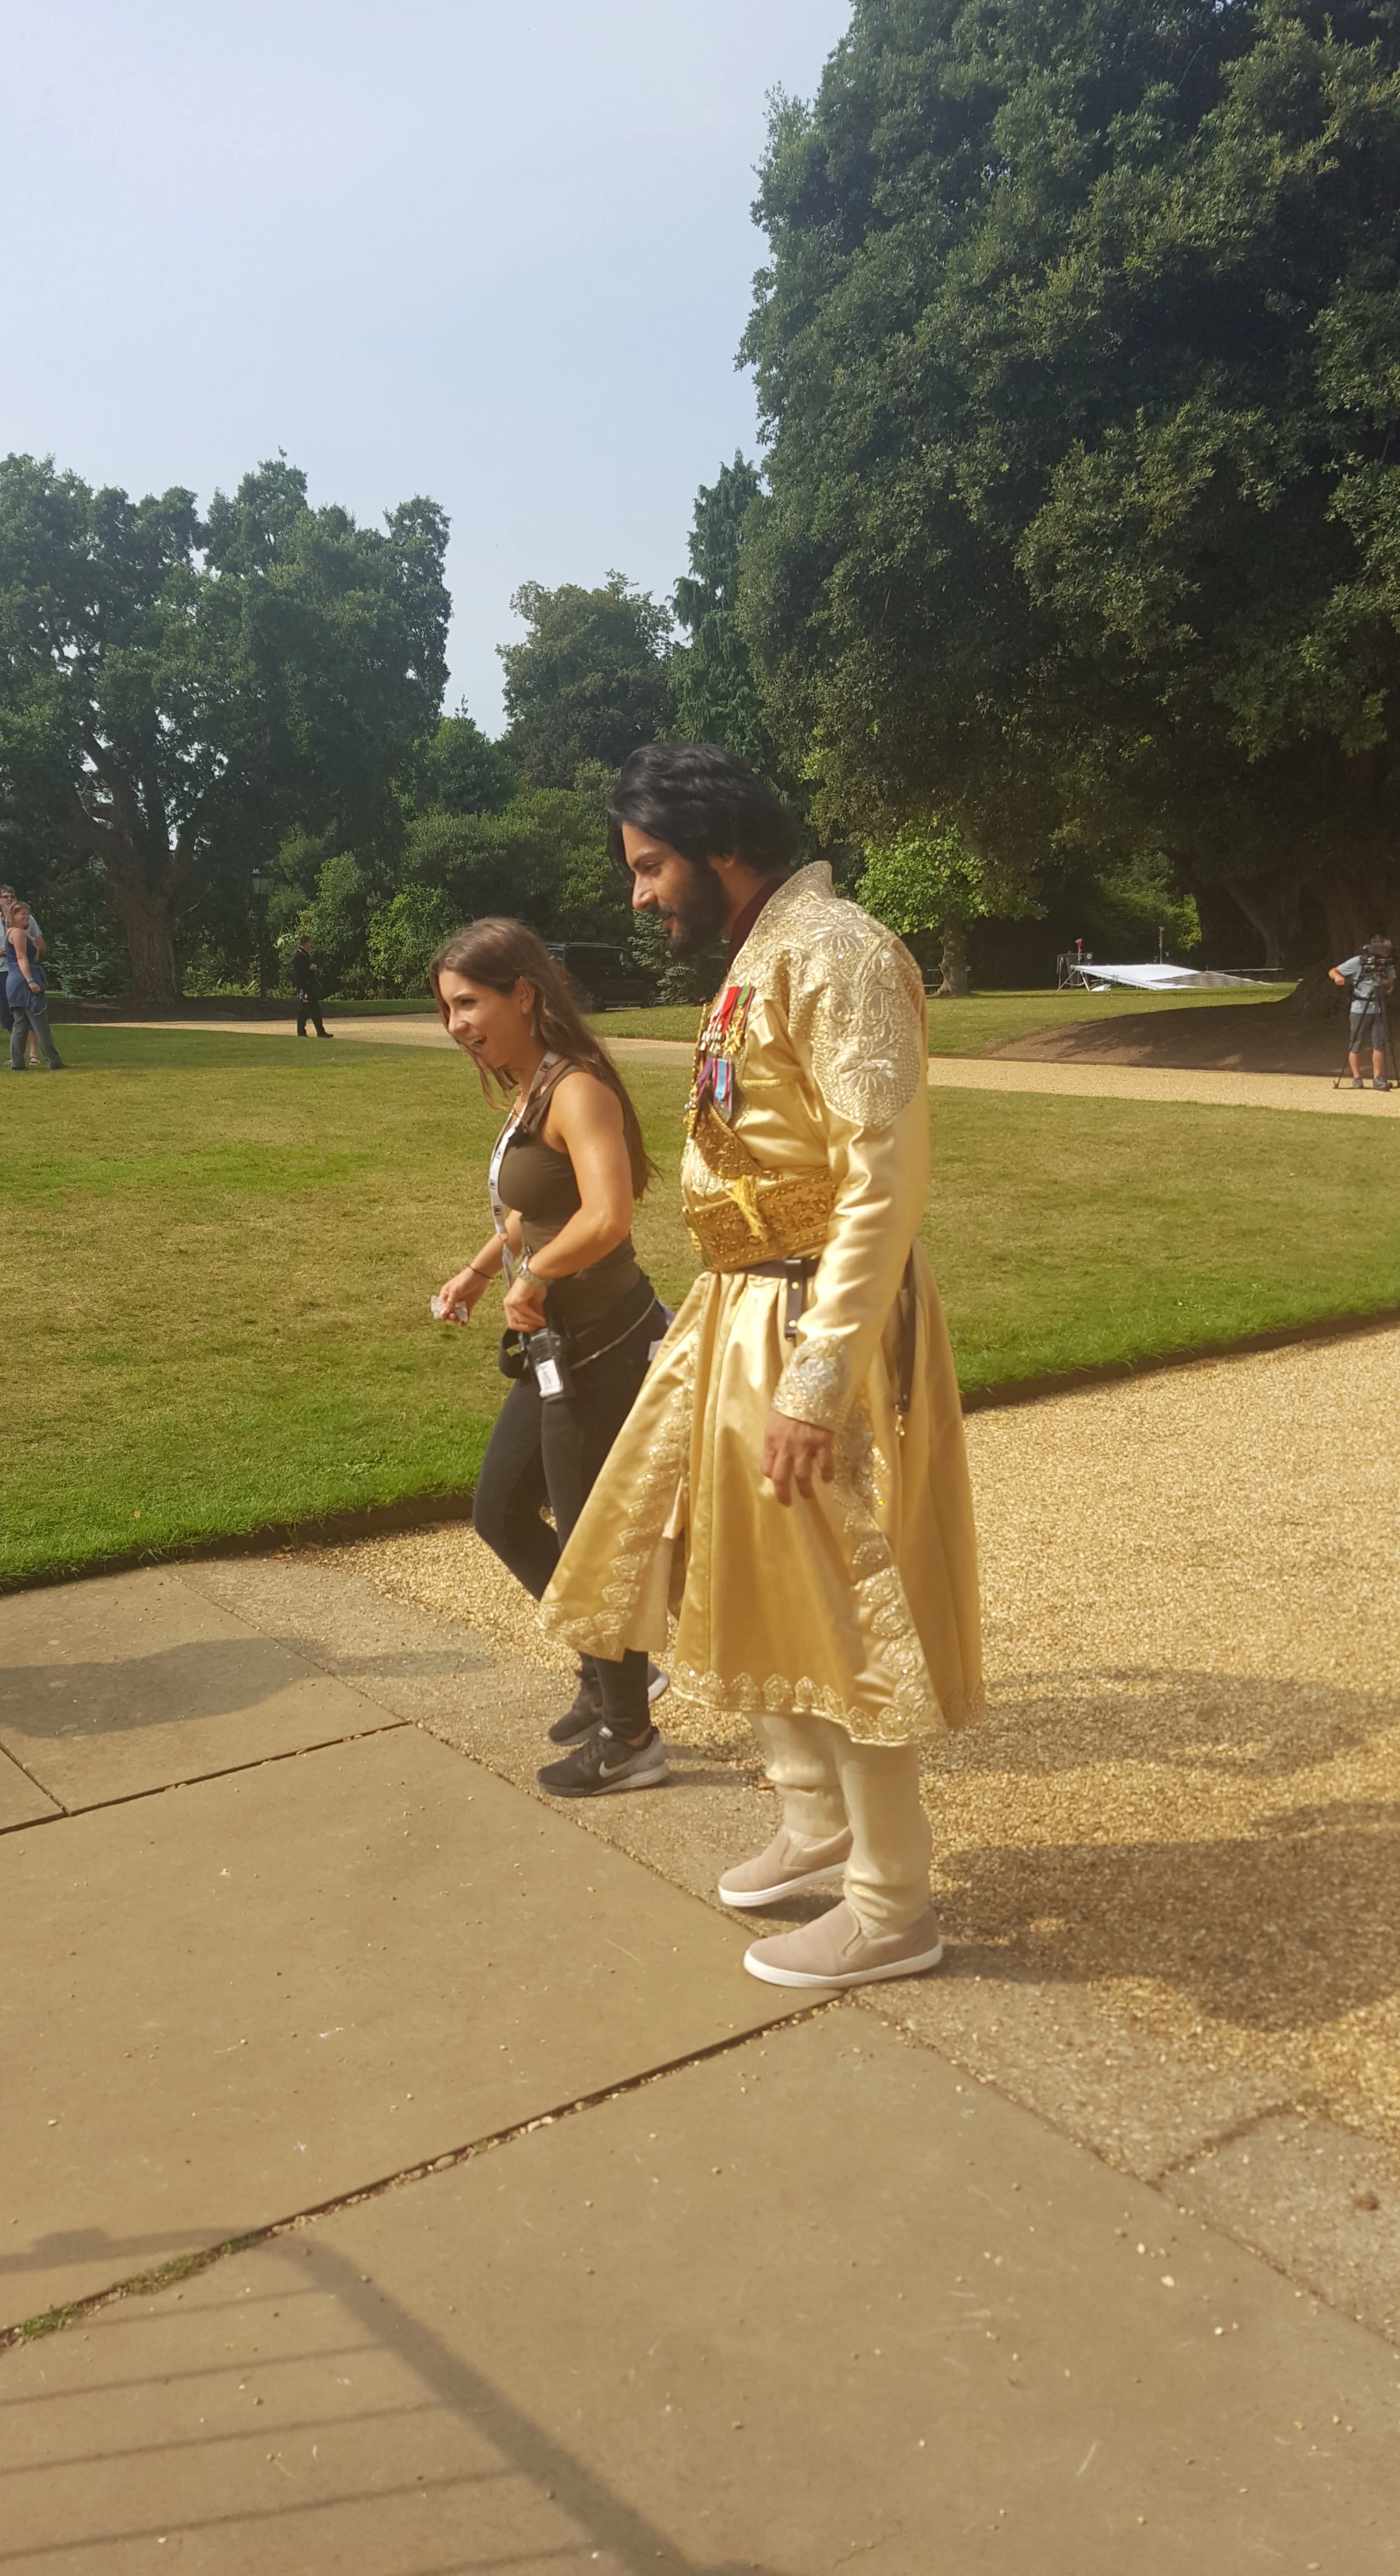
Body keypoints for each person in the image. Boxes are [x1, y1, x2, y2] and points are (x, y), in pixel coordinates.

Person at [543, 743, 983, 1988]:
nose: (639, 892)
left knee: (840, 1603)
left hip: (811, 1318)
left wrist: (815, 1381)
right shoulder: (762, 951)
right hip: (739, 1308)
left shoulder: (837, 950)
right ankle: (814, 1816)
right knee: (721, 1566)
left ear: (717, 839)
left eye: (648, 865)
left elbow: (882, 1181)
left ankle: (894, 1904)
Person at [432, 918, 670, 1796]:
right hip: (555, 1347)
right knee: (500, 1510)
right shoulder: (528, 1089)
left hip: (606, 1345)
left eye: (469, 1001)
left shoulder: (578, 1090)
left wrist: (537, 1276)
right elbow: (526, 1215)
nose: (457, 1023)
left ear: (524, 993)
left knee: (589, 1541)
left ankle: (632, 1734)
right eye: (447, 1008)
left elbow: (608, 1216)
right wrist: (478, 1269)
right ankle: (609, 1673)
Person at [0, 883, 45, 1064]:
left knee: (30, 1011)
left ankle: (33, 1054)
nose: (9, 899)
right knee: (9, 1014)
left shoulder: (28, 919)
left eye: (12, 896)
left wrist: (33, 954)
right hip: (2, 971)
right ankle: (17, 1055)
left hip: (22, 972)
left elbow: (41, 944)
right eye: (5, 896)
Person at [3, 901, 63, 1071]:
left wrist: (34, 946)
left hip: (14, 981)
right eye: (22, 914)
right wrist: (31, 981)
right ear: (13, 916)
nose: (26, 917)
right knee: (40, 1023)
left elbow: (32, 951)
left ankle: (17, 1063)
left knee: (20, 1024)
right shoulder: (18, 933)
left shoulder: (13, 933)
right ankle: (54, 1061)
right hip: (24, 980)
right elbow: (22, 958)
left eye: (28, 914)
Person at [1329, 937, 1395, 1090]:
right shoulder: (1359, 961)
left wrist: (1385, 985)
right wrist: (1338, 977)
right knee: (1356, 1043)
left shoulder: (1387, 964)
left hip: (1378, 1007)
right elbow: (1333, 971)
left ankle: (1378, 1078)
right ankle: (1357, 1077)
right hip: (1359, 1007)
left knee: (1379, 1043)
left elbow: (1391, 986)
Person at [291, 937, 331, 1038]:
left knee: (315, 1010)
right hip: (304, 988)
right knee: (305, 1009)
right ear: (306, 943)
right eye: (310, 942)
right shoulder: (298, 957)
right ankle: (301, 1032)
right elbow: (298, 974)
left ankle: (320, 1031)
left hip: (310, 987)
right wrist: (309, 969)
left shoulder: (306, 956)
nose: (311, 945)